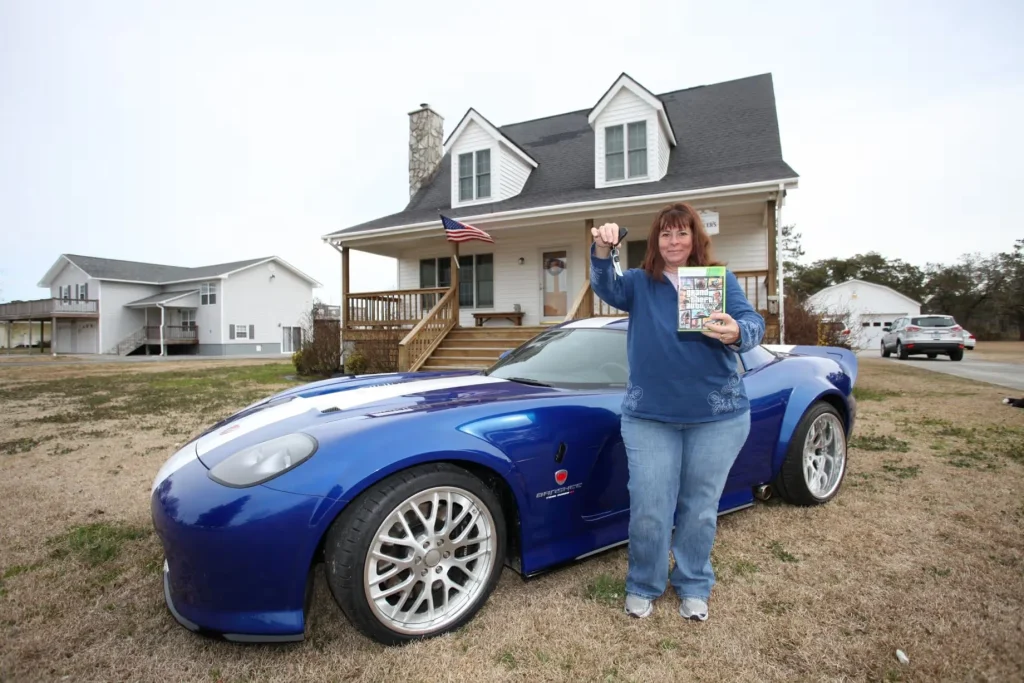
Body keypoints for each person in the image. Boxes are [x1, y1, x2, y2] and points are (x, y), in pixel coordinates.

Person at [589, 202, 765, 622]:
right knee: (650, 506)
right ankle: (644, 584)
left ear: (694, 239)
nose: (673, 241)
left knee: (700, 508)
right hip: (650, 415)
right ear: (656, 241)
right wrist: (600, 248)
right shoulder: (637, 283)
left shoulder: (717, 280)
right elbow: (605, 285)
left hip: (717, 416)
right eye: (666, 234)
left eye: (681, 233)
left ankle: (693, 584)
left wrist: (738, 331)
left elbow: (752, 321)